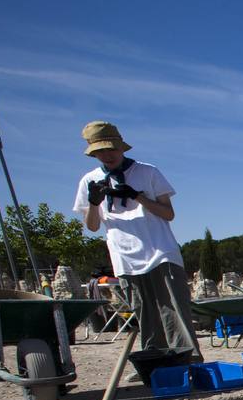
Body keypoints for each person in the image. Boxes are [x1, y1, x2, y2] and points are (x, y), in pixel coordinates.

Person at [72, 121, 200, 359]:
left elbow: (168, 214)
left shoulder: (147, 172)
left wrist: (137, 196)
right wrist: (93, 202)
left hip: (160, 251)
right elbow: (92, 226)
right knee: (144, 313)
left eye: (111, 149)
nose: (107, 155)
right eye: (100, 151)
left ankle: (188, 359)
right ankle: (154, 361)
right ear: (93, 153)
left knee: (174, 310)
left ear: (121, 148)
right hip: (125, 257)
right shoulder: (89, 180)